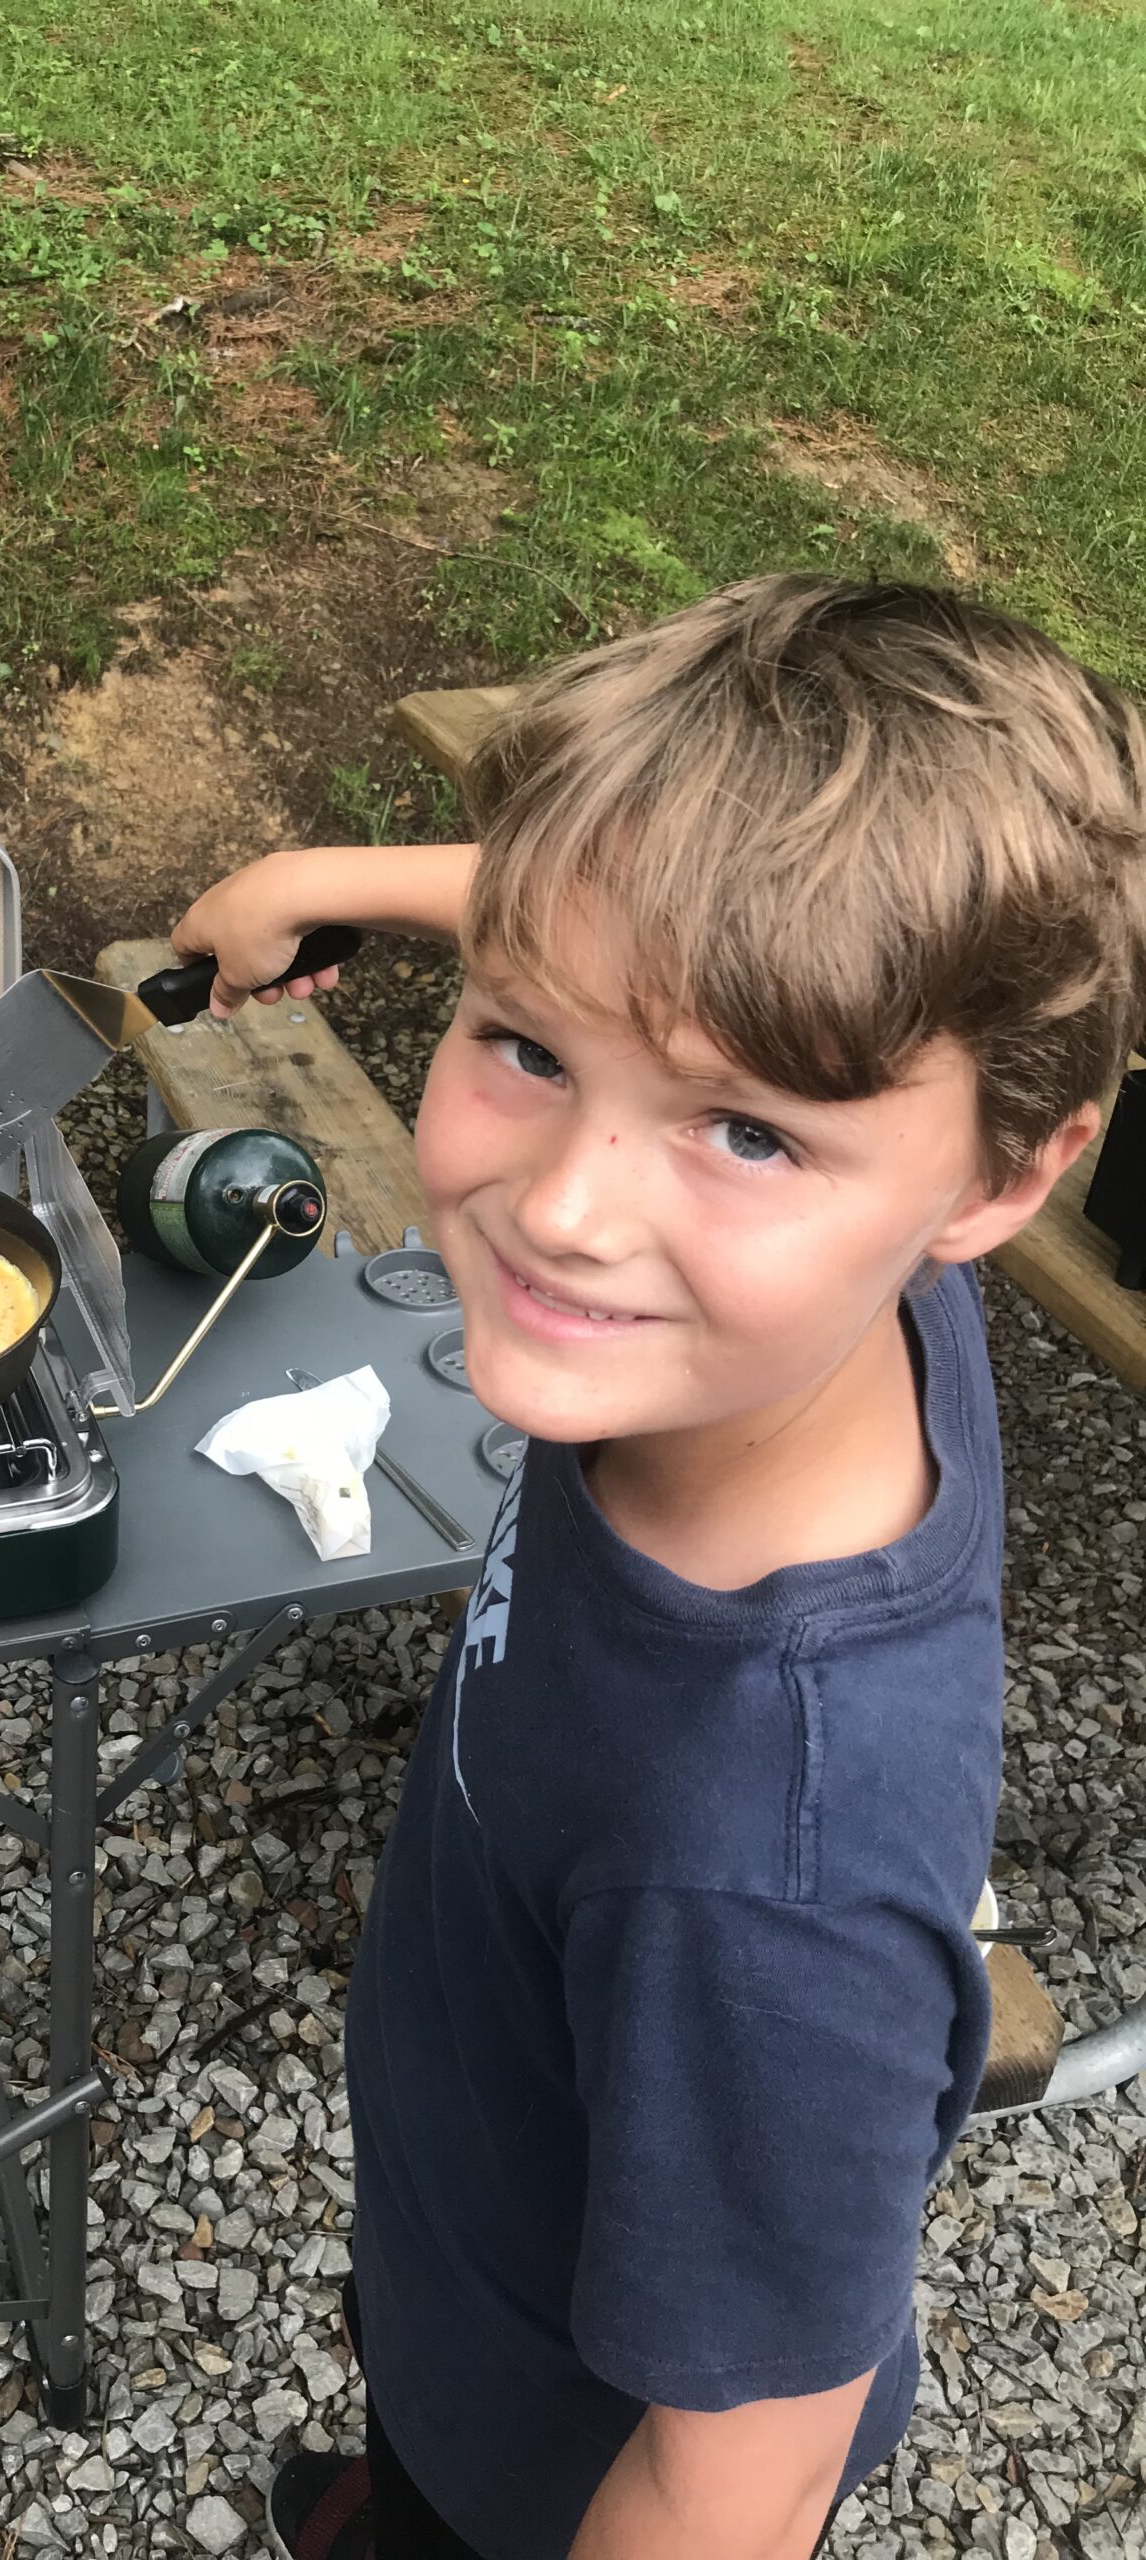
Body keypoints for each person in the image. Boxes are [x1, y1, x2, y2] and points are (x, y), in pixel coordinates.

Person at [168, 577, 1146, 2560]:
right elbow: (666, 954)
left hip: (562, 2461)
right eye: (522, 1043)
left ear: (1006, 1178)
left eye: (748, 1138)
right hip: (497, 2210)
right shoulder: (838, 1301)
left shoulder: (766, 1875)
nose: (566, 1203)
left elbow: (737, 2476)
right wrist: (329, 869)